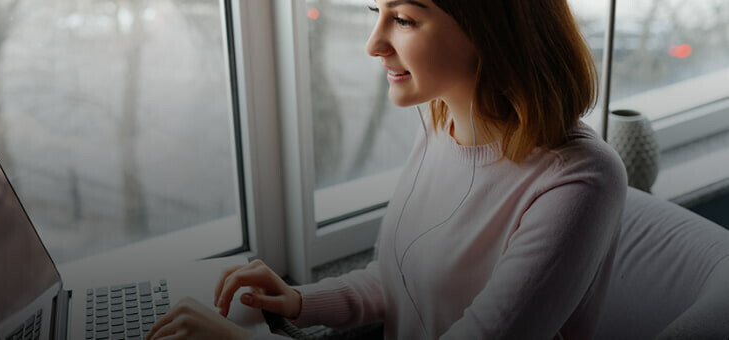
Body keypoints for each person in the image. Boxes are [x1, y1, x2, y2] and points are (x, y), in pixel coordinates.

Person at [147, 0, 627, 339]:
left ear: (490, 28)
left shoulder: (579, 180)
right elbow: (400, 279)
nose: (373, 44)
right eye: (375, 12)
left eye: (402, 19)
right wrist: (298, 301)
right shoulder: (439, 125)